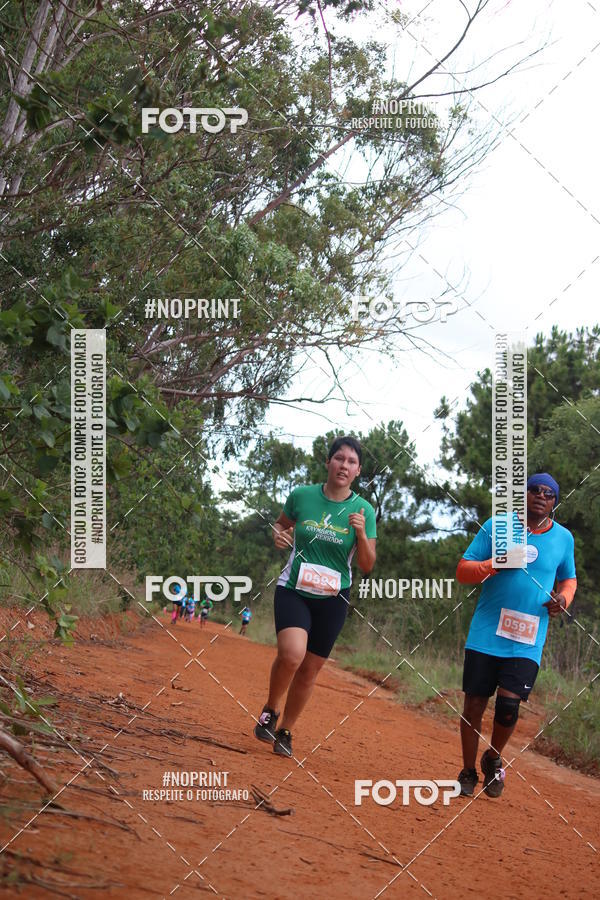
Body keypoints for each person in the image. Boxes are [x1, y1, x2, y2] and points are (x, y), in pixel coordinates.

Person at [253, 435, 377, 758]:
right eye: (339, 458)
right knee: (292, 654)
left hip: (333, 598)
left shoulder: (364, 510)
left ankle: (286, 730)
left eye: (351, 462)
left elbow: (367, 564)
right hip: (294, 589)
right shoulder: (302, 496)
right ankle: (270, 708)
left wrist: (361, 534)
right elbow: (280, 526)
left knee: (309, 669)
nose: (344, 466)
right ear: (328, 462)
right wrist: (279, 536)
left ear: (358, 471)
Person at [455, 472, 577, 798]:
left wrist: (563, 599)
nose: (541, 496)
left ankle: (493, 758)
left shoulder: (563, 539)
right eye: (535, 490)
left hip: (527, 638)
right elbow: (463, 570)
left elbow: (569, 579)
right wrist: (493, 563)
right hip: (485, 634)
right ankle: (467, 770)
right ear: (523, 495)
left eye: (548, 493)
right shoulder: (497, 526)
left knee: (508, 708)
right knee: (474, 706)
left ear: (554, 502)